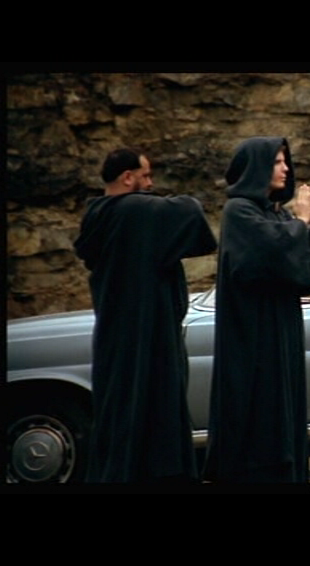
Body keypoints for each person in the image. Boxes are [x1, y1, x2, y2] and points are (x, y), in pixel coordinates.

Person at [74, 148, 217, 483]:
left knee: (120, 413)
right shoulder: (134, 210)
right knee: (153, 414)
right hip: (148, 336)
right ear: (128, 177)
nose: (151, 184)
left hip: (115, 336)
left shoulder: (98, 215)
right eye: (146, 176)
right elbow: (191, 212)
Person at [203, 136, 310, 483]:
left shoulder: (276, 213)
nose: (286, 168)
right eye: (277, 162)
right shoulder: (239, 210)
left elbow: (302, 275)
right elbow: (264, 259)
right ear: (257, 167)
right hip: (251, 332)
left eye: (285, 161)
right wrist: (302, 223)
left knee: (282, 410)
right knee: (257, 412)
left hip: (281, 328)